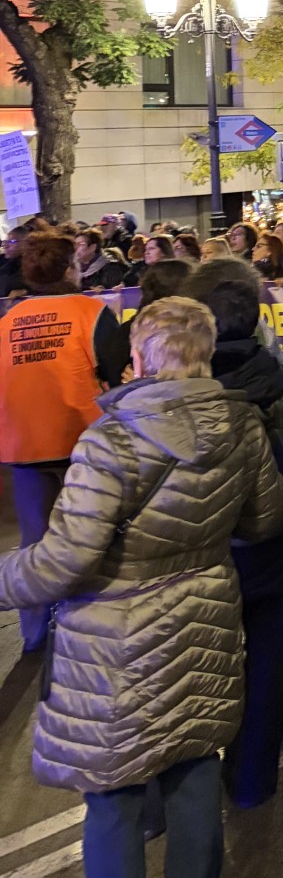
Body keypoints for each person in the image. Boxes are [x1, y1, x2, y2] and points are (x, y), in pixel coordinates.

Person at [0, 296, 283, 878]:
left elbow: (65, 559)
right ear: (205, 353)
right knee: (192, 773)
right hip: (204, 617)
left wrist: (8, 578)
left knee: (113, 796)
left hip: (114, 640)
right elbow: (264, 517)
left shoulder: (111, 438)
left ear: (137, 359)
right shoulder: (240, 425)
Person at [182, 259, 283, 808]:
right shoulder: (277, 380)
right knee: (266, 661)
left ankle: (189, 791)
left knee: (198, 668)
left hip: (206, 552)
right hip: (275, 545)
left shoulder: (183, 391)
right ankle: (252, 781)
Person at [0, 233, 130, 653]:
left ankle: (34, 634)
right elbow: (115, 371)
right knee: (93, 535)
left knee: (36, 543)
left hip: (24, 446)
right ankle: (87, 626)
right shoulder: (91, 313)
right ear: (69, 269)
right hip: (84, 443)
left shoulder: (7, 322)